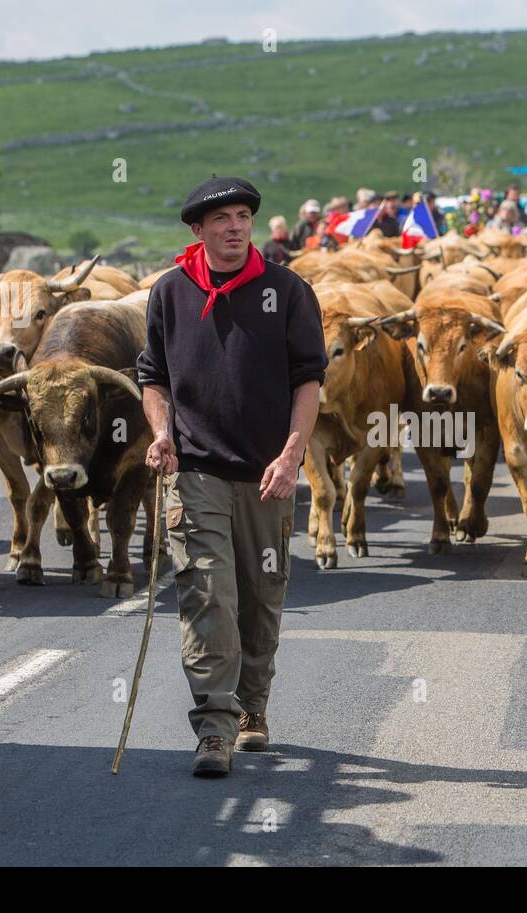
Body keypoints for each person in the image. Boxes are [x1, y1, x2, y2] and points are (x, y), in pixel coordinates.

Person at [138, 174, 328, 778]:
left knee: (260, 599)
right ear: (199, 230)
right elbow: (153, 376)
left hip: (267, 476)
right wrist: (161, 431)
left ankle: (253, 709)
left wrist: (293, 452)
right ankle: (214, 729)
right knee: (207, 596)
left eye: (243, 216)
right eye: (222, 219)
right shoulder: (169, 293)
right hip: (195, 473)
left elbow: (308, 380)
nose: (235, 226)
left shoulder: (287, 290)